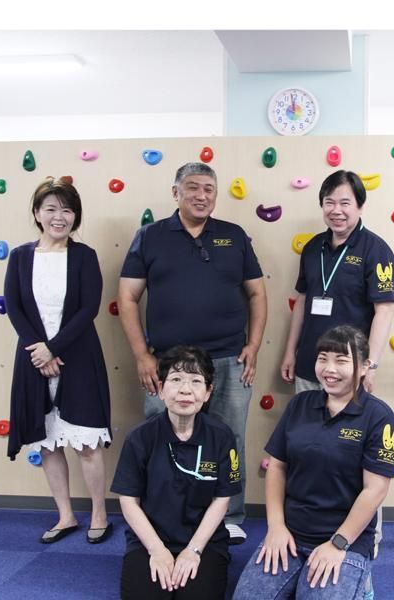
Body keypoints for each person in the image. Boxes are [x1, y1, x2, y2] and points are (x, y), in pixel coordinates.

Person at [118, 162, 267, 544]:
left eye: (209, 189)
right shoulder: (149, 236)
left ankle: (229, 516)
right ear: (176, 193)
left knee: (229, 438)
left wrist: (253, 345)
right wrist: (142, 355)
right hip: (167, 363)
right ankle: (162, 515)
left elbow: (256, 293)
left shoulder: (234, 236)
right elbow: (128, 297)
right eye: (193, 188)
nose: (202, 196)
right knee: (162, 436)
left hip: (230, 360)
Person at [234, 325, 394, 599]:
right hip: (291, 533)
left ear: (364, 367)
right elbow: (277, 466)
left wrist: (338, 544)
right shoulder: (299, 404)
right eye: (323, 358)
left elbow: (375, 490)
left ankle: (360, 581)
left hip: (345, 540)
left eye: (341, 360)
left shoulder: (380, 418)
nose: (329, 369)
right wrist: (276, 527)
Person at [4, 178, 112, 544]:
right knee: (48, 441)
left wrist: (53, 348)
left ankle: (99, 513)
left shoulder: (84, 256)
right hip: (33, 359)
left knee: (87, 443)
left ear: (75, 216)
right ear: (37, 213)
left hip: (78, 357)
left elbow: (89, 308)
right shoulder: (20, 256)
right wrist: (38, 349)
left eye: (67, 210)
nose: (59, 217)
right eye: (50, 209)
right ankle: (65, 516)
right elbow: (14, 307)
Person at [112, 345, 241, 600]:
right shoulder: (140, 437)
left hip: (204, 540)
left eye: (196, 381)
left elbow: (222, 499)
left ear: (208, 392)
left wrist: (193, 550)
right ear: (160, 389)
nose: (185, 390)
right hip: (150, 538)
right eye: (176, 379)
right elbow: (128, 501)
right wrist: (157, 550)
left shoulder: (222, 436)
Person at [280, 170, 394, 395]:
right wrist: (290, 352)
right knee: (305, 418)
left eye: (345, 203)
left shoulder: (377, 251)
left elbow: (384, 311)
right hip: (309, 364)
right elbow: (302, 300)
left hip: (349, 370)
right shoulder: (312, 247)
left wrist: (370, 366)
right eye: (329, 203)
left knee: (344, 419)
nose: (336, 210)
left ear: (360, 207)